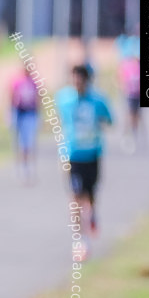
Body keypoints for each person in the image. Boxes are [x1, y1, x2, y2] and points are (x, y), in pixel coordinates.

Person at [56, 64, 113, 261]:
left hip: (93, 154)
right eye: (74, 80)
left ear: (87, 80)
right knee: (75, 197)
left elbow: (109, 120)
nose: (76, 83)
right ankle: (80, 240)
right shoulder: (64, 98)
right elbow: (57, 120)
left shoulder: (98, 100)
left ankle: (93, 214)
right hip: (72, 155)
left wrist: (98, 124)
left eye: (80, 80)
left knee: (90, 196)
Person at [10, 64, 39, 184]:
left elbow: (38, 99)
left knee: (29, 142)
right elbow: (11, 96)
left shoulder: (35, 83)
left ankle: (28, 167)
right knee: (20, 142)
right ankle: (21, 167)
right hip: (19, 113)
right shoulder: (17, 81)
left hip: (30, 114)